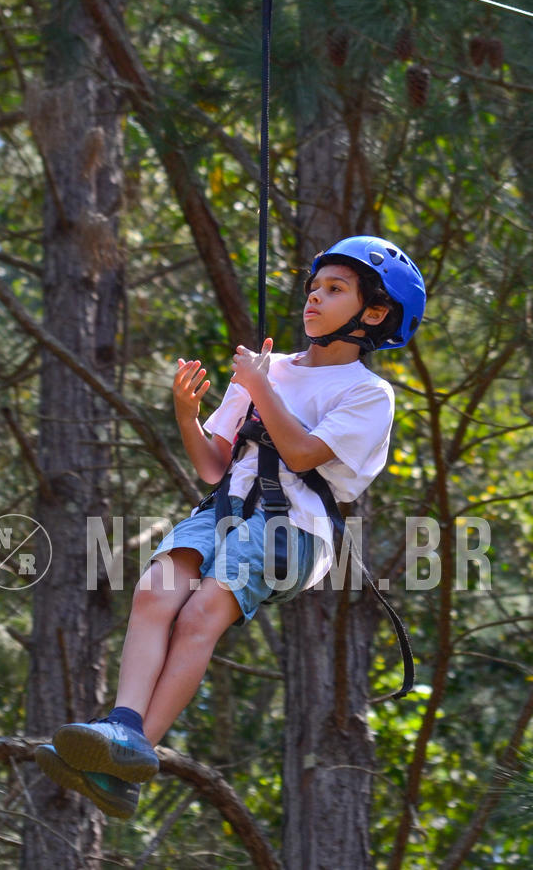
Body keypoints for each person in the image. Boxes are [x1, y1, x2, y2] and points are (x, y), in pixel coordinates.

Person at [35, 235, 426, 817]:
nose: (314, 299)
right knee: (152, 593)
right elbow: (214, 465)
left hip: (294, 529)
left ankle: (135, 747)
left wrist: (261, 386)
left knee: (200, 613)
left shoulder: (367, 393)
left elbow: (298, 455)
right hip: (225, 507)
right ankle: (120, 737)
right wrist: (188, 416)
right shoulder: (268, 371)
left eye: (335, 290)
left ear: (373, 314)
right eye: (315, 287)